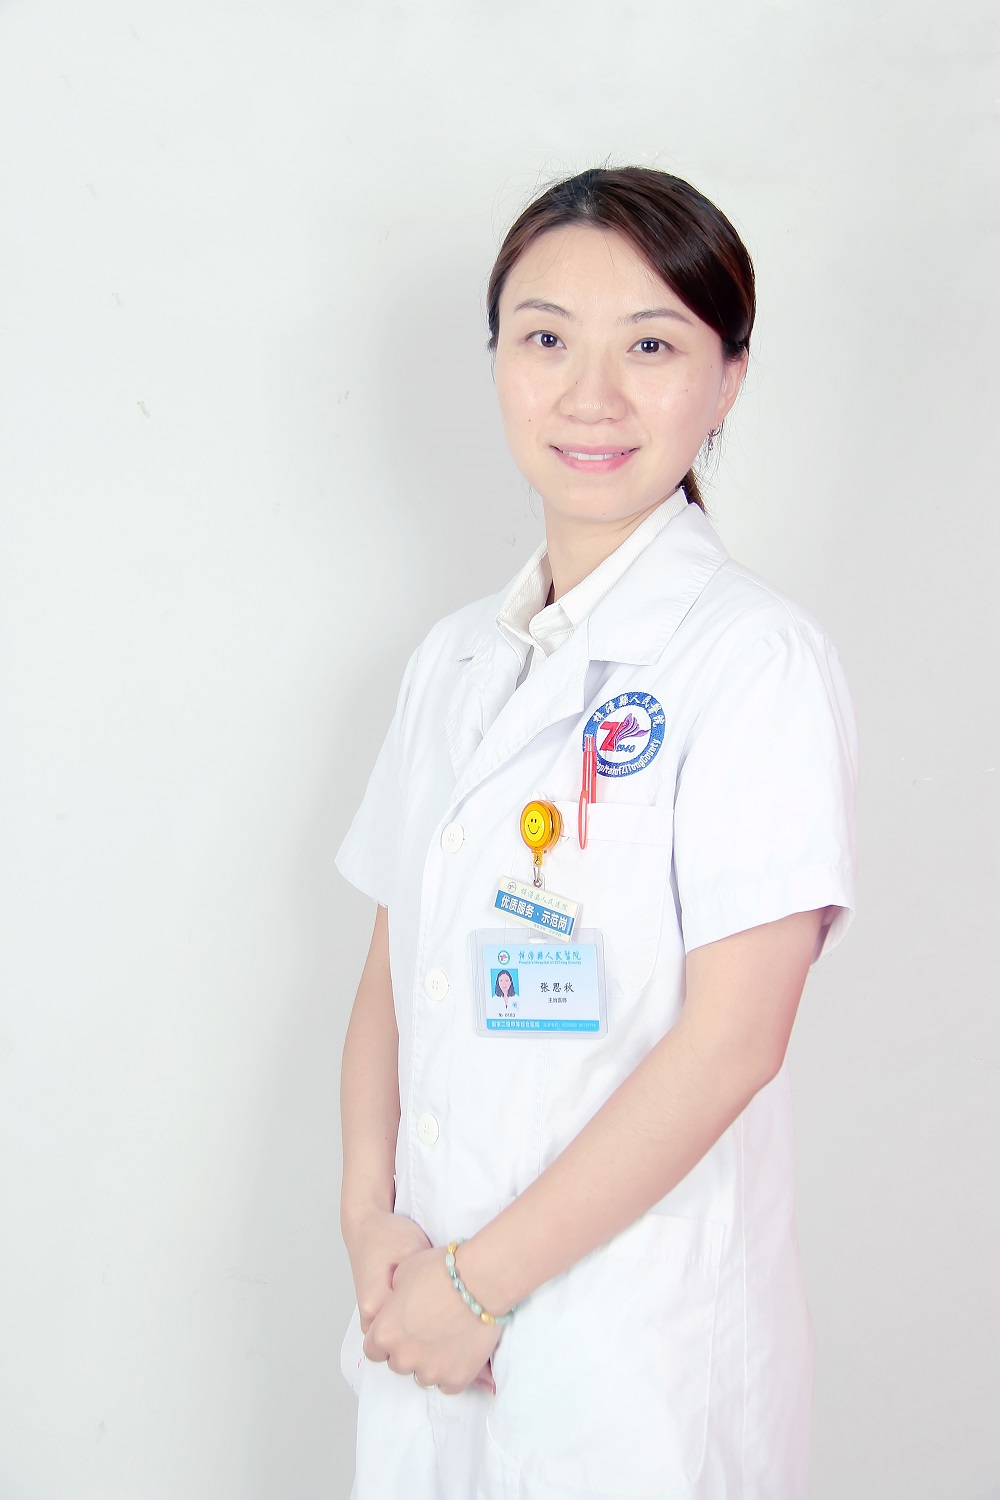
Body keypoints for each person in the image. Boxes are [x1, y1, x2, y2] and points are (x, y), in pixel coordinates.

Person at [336, 167, 858, 1500]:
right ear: (498, 361)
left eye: (653, 346)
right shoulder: (454, 661)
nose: (591, 395)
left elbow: (735, 1041)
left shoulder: (753, 662)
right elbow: (393, 969)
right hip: (426, 1319)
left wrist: (477, 1286)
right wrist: (369, 1220)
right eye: (546, 337)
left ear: (730, 379)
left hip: (633, 1361)